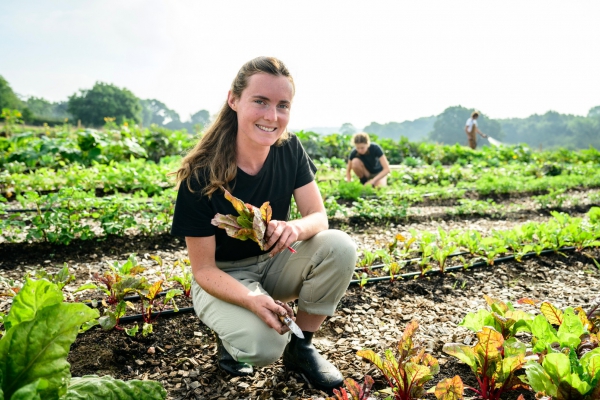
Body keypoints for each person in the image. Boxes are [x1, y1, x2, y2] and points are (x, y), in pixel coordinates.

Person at [171, 57, 357, 392]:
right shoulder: (200, 174)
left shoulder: (290, 150)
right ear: (234, 100)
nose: (272, 116)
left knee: (340, 246)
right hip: (223, 276)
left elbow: (319, 217)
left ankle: (302, 349)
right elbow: (204, 271)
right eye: (260, 101)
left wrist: (294, 228)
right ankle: (232, 341)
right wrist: (249, 299)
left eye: (282, 105)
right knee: (265, 346)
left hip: (273, 263)